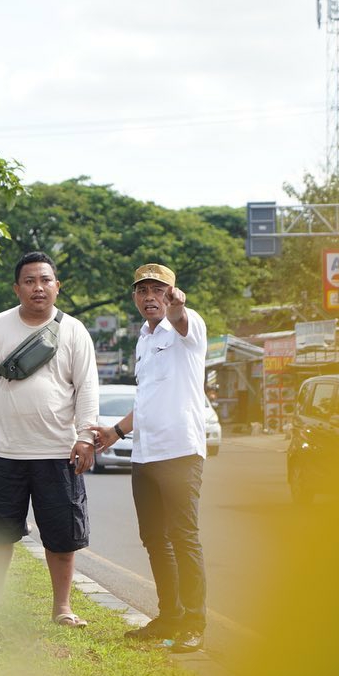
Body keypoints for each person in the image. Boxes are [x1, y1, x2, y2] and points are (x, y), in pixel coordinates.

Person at [0, 251, 99, 627]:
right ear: (17, 287)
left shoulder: (74, 331)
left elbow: (87, 388)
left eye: (45, 280)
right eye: (30, 281)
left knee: (62, 535)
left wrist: (86, 437)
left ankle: (63, 608)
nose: (38, 288)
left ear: (57, 286)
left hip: (58, 451)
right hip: (3, 451)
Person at [91, 263, 208, 653]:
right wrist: (117, 432)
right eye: (142, 290)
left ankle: (193, 622)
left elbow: (180, 316)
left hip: (180, 452)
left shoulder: (188, 329)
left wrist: (178, 306)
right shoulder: (143, 339)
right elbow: (147, 401)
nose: (150, 297)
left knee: (184, 537)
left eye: (158, 290)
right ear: (135, 298)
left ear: (172, 293)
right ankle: (169, 616)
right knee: (155, 539)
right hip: (144, 454)